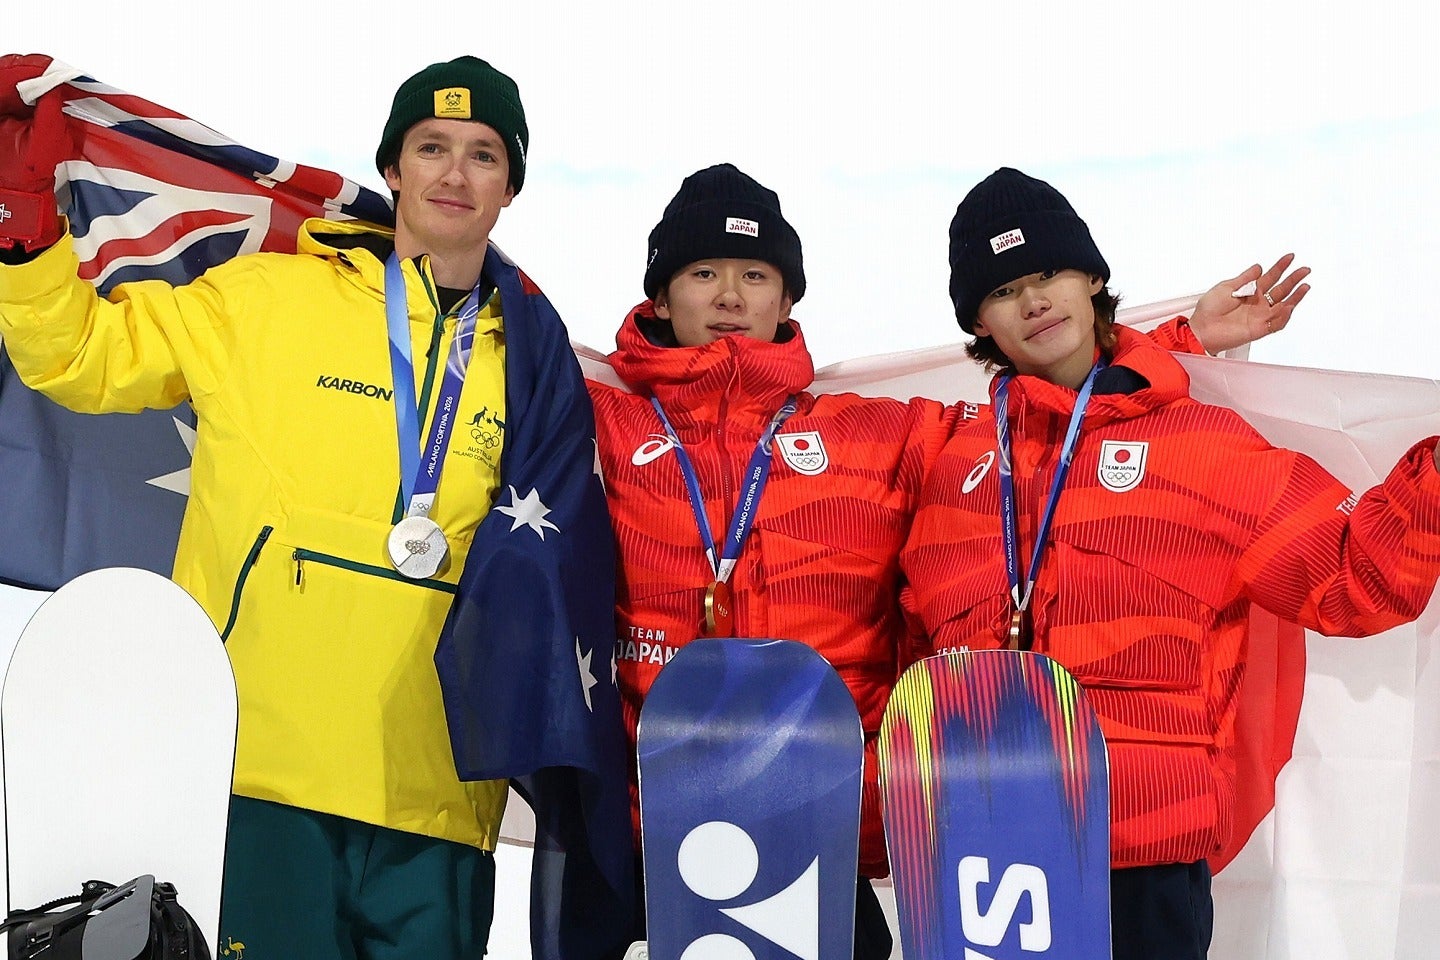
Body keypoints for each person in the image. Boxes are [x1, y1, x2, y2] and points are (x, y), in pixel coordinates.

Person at [588, 163, 1308, 958]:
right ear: (660, 297)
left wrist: (1181, 344)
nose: (730, 296)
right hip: (657, 817)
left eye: (755, 274)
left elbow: (1059, 415)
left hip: (828, 831)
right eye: (703, 273)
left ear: (787, 298)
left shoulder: (877, 435)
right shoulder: (604, 421)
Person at [0, 54, 615, 959]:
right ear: (392, 169)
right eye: (431, 147)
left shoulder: (532, 359)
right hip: (259, 772)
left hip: (440, 795)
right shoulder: (264, 298)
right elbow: (82, 359)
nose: (455, 173)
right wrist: (27, 243)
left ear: (510, 186)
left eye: (484, 154)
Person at [899, 167, 1440, 960]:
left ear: (1092, 280)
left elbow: (1357, 578)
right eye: (1006, 289)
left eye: (1049, 273)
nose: (1035, 300)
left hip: (1141, 852)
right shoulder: (953, 459)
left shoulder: (1206, 450)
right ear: (978, 321)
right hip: (980, 849)